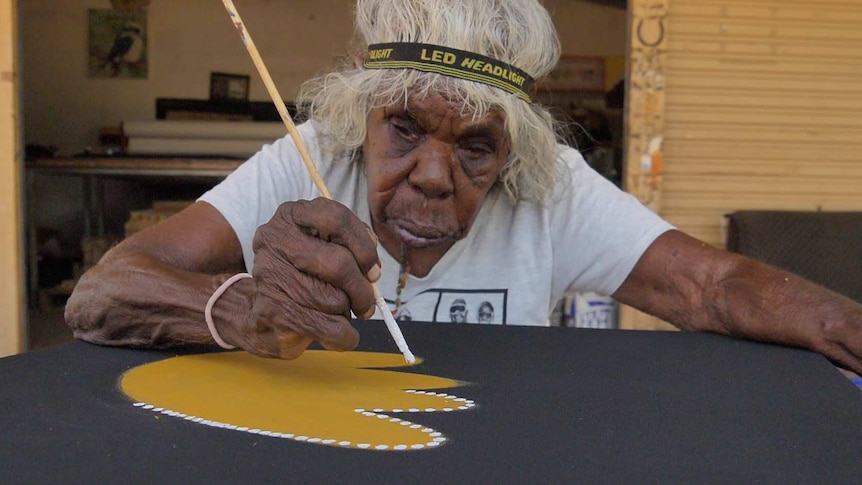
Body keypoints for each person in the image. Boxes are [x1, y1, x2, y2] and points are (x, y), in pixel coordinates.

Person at [66, 0, 862, 374]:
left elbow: (714, 285)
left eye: (477, 148)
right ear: (361, 113)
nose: (436, 180)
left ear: (514, 149)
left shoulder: (551, 190)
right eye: (405, 131)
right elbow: (100, 295)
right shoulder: (307, 158)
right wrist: (236, 304)